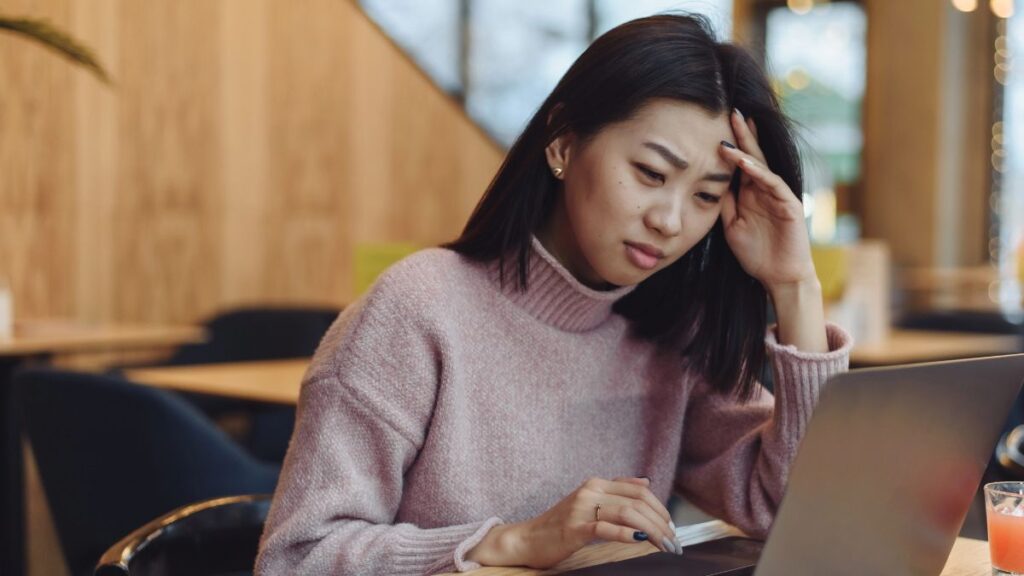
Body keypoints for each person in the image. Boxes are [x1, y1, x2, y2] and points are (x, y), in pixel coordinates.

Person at [255, 13, 852, 576]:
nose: (670, 221)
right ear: (563, 144)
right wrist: (511, 542)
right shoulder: (420, 308)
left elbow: (799, 512)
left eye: (704, 196)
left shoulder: (675, 334)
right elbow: (296, 557)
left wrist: (794, 286)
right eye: (651, 173)